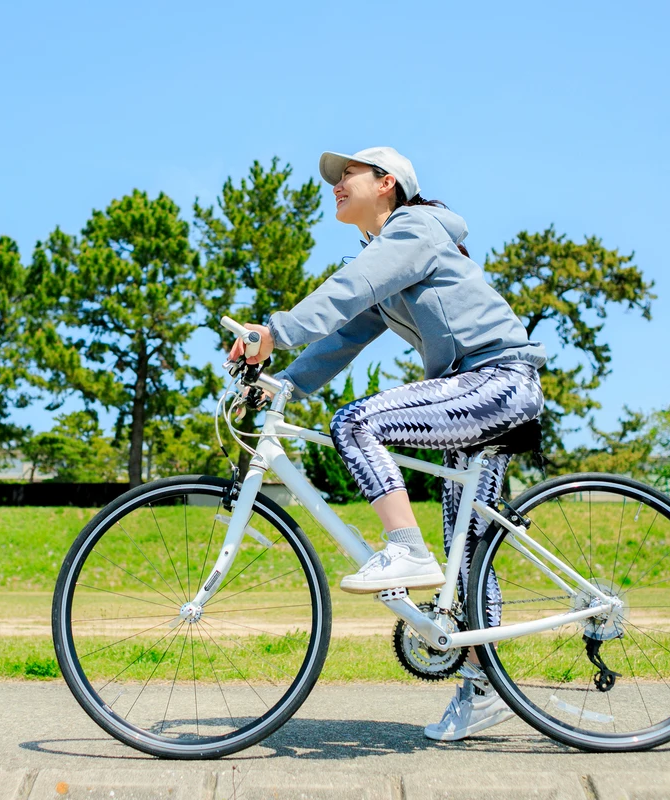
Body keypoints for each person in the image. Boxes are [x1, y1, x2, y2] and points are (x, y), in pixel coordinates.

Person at [227, 146, 546, 741]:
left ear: (387, 183)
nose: (336, 185)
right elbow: (345, 335)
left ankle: (405, 549)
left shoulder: (415, 229)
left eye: (346, 174)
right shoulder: (385, 255)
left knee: (355, 424)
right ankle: (484, 688)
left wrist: (276, 330)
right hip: (472, 389)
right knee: (469, 556)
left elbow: (352, 287)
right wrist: (282, 385)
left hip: (498, 380)